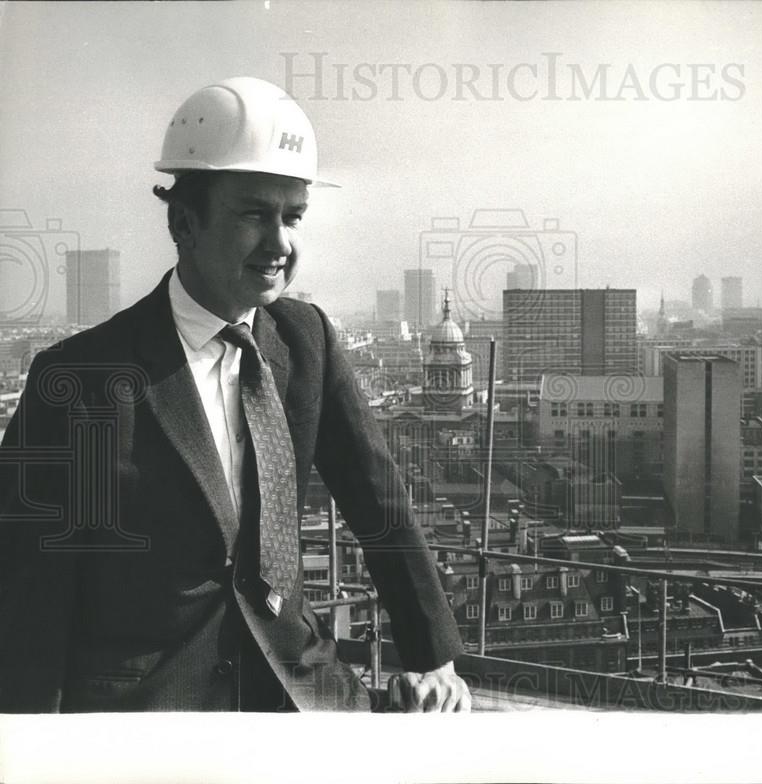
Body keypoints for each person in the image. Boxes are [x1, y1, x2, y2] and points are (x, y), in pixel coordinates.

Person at [0, 77, 470, 712]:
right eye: (254, 214)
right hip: (148, 716)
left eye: (292, 217)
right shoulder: (77, 378)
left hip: (301, 690)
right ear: (185, 221)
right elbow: (30, 587)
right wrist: (37, 747)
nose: (279, 244)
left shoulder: (309, 340)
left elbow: (377, 500)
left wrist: (432, 657)